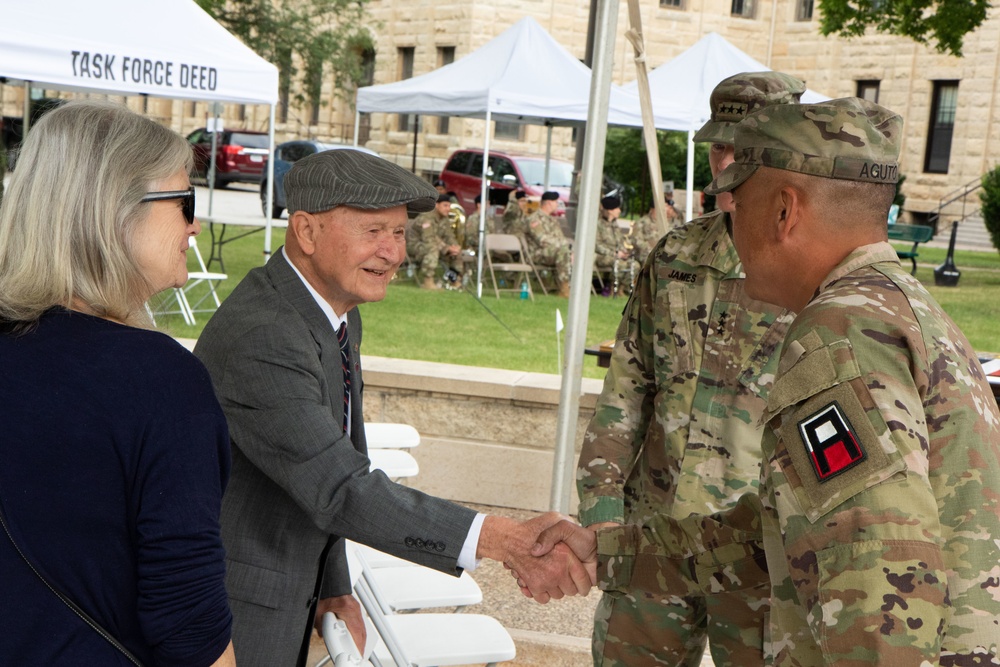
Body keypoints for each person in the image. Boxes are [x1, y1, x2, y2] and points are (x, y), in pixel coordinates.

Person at [544, 97, 1000, 665]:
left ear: (784, 211)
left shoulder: (841, 332)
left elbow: (879, 589)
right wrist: (607, 550)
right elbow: (778, 534)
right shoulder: (901, 309)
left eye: (742, 204)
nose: (731, 226)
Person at [193, 148, 591, 667]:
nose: (394, 252)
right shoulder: (263, 335)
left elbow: (336, 460)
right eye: (374, 231)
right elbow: (338, 487)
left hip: (289, 594)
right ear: (307, 232)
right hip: (237, 611)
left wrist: (333, 585)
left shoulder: (331, 311)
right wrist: (505, 539)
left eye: (400, 233)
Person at [574, 72, 805, 667]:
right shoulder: (676, 256)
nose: (723, 163)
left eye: (741, 149)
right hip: (655, 537)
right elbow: (627, 387)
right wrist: (602, 507)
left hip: (758, 553)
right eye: (716, 146)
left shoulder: (815, 275)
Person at [0, 100, 235, 666]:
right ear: (114, 211)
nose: (194, 223)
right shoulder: (160, 382)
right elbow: (189, 624)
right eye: (184, 201)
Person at [407, 193, 463, 289]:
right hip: (414, 246)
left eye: (449, 206)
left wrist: (454, 246)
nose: (448, 208)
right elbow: (429, 238)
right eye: (445, 205)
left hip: (432, 246)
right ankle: (428, 282)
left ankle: (454, 280)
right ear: (437, 205)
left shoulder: (444, 219)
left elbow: (449, 236)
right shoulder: (426, 217)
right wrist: (447, 248)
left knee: (456, 252)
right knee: (432, 248)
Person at [523, 190, 573, 297]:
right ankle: (564, 288)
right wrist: (564, 246)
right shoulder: (534, 218)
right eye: (556, 202)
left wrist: (568, 249)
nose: (557, 205)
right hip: (537, 253)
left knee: (569, 252)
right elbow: (542, 239)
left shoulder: (553, 220)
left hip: (554, 252)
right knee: (564, 251)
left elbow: (561, 238)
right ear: (549, 203)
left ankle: (568, 286)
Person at [592, 194, 637, 296]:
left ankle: (620, 288)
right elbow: (596, 244)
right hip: (602, 256)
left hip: (617, 255)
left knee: (635, 265)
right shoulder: (597, 224)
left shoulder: (614, 224)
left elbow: (620, 241)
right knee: (621, 264)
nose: (619, 211)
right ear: (610, 210)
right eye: (617, 208)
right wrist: (614, 253)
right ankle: (612, 289)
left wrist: (624, 252)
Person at [631, 193, 679, 265]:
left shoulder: (666, 224)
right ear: (656, 207)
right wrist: (654, 252)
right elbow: (636, 240)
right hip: (647, 256)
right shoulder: (642, 223)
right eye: (665, 206)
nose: (667, 208)